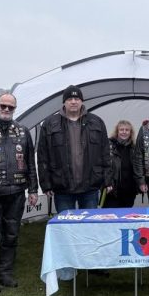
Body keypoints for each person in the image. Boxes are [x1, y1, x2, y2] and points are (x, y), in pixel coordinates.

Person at [0, 93, 39, 294]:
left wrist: (33, 189)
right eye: (4, 106)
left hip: (17, 193)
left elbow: (30, 162)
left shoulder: (22, 131)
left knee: (11, 235)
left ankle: (5, 274)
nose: (7, 110)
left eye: (11, 107)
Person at [36, 85, 112, 213]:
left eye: (77, 98)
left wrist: (107, 180)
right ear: (64, 102)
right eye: (69, 98)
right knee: (66, 228)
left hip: (90, 187)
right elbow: (43, 157)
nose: (73, 101)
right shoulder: (49, 124)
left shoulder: (97, 122)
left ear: (82, 101)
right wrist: (46, 184)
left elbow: (105, 153)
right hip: (62, 187)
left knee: (88, 226)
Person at [102, 120, 139, 208]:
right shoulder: (108, 145)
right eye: (121, 130)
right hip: (112, 190)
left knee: (126, 216)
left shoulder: (134, 147)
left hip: (129, 190)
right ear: (117, 131)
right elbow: (104, 166)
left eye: (127, 130)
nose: (124, 132)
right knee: (110, 216)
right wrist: (107, 183)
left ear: (131, 132)